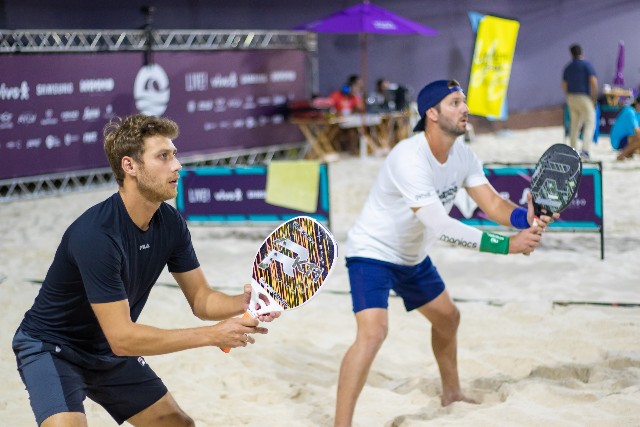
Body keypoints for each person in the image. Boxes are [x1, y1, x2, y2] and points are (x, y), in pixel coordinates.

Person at [12, 114, 280, 427]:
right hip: (53, 347)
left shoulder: (170, 222)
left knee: (178, 424)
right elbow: (123, 338)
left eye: (175, 154)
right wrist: (212, 335)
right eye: (163, 156)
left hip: (105, 351)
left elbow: (202, 300)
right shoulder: (96, 235)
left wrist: (248, 301)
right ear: (130, 166)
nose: (177, 165)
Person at [334, 79, 557, 426]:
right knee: (374, 333)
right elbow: (440, 223)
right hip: (372, 253)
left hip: (411, 257)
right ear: (432, 113)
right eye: (455, 102)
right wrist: (507, 245)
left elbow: (493, 203)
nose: (465, 108)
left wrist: (523, 218)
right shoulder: (409, 157)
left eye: (464, 101)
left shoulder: (463, 155)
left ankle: (451, 393)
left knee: (448, 318)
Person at [562, 44, 598, 160]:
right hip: (584, 97)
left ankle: (572, 151)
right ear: (582, 52)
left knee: (574, 125)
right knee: (590, 123)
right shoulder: (586, 65)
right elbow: (593, 82)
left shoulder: (568, 67)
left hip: (571, 97)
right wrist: (594, 98)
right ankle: (585, 151)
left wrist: (568, 96)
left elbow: (564, 85)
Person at [610, 95, 640, 160]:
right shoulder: (630, 111)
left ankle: (629, 153)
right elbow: (638, 133)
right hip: (617, 141)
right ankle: (621, 156)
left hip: (626, 138)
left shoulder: (637, 113)